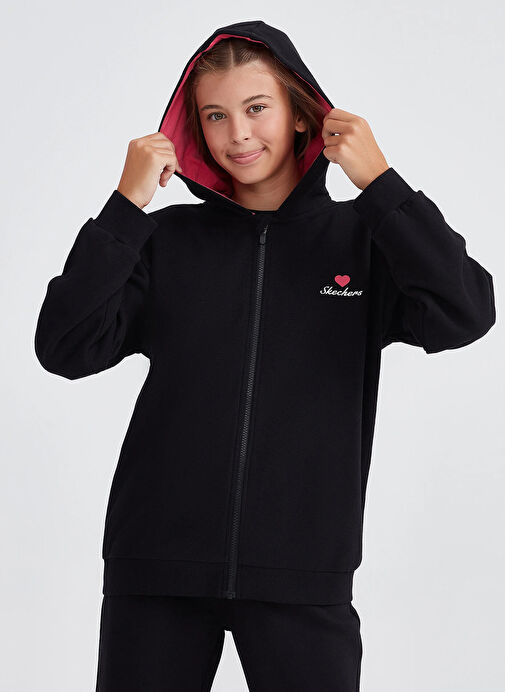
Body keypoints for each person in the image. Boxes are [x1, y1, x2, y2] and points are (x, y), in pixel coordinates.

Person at [34, 19, 496, 692]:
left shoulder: (361, 242)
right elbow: (64, 346)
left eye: (256, 108)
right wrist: (125, 206)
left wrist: (381, 184)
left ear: (302, 114)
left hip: (302, 573)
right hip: (156, 569)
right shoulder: (163, 240)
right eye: (215, 116)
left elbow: (465, 311)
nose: (238, 135)